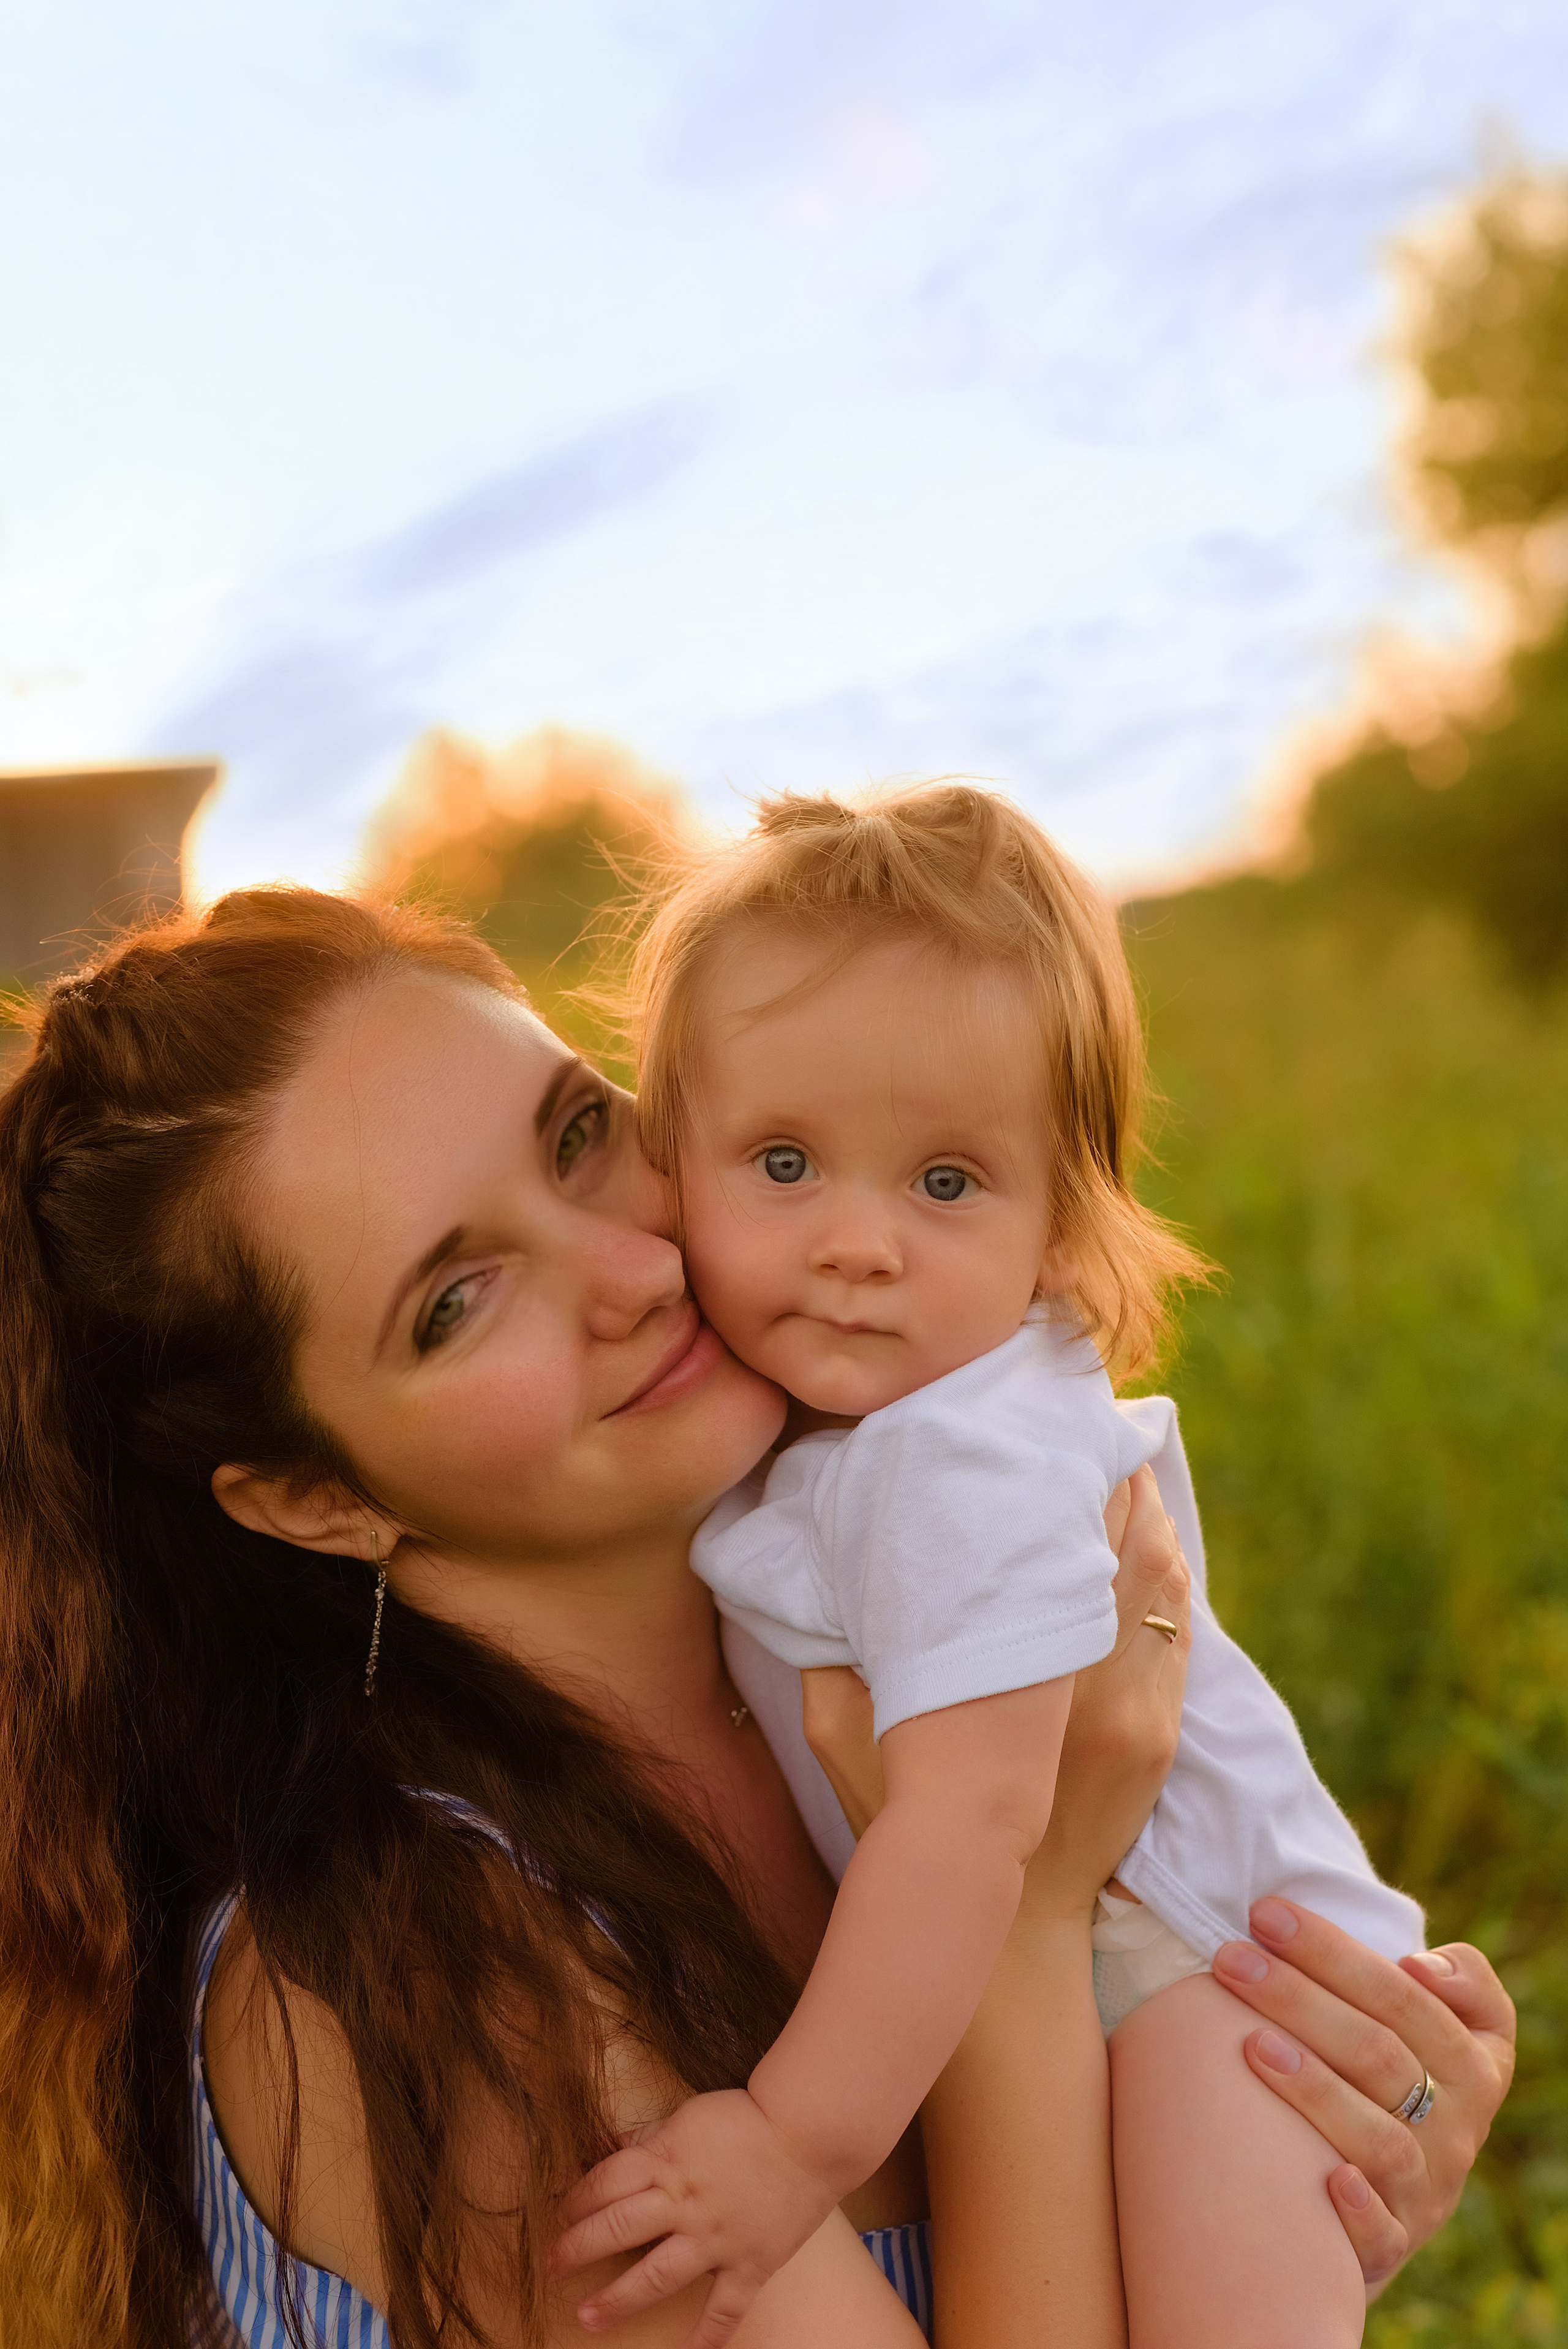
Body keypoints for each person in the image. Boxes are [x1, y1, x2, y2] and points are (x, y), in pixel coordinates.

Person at [0, 887, 1514, 2349]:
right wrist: (1021, 1934)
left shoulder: (869, 1584)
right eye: (456, 1300)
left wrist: (1325, 2161)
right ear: (312, 1500)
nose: (636, 1270)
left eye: (583, 1138)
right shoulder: (425, 1984)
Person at [555, 785, 1461, 2349]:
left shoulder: (958, 1455)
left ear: (1058, 1228)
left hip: (1225, 1975)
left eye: (945, 1183)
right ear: (669, 1155)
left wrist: (792, 2144)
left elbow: (975, 1827)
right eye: (781, 1162)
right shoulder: (838, 1422)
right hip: (1108, 1959)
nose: (856, 1243)